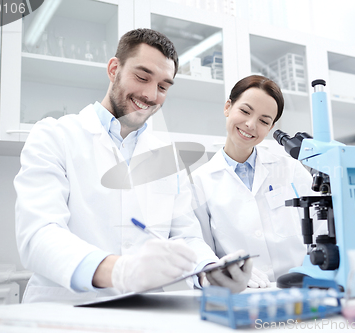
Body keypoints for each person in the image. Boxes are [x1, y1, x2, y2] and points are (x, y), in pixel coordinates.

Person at [14, 29, 251, 303]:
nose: (151, 95)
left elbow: (185, 236)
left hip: (143, 312)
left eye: (163, 87)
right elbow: (39, 235)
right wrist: (119, 271)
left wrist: (209, 270)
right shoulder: (55, 136)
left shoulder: (168, 159)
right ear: (114, 69)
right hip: (64, 309)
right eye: (142, 77)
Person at [191, 75, 316, 288]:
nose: (250, 125)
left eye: (264, 121)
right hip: (242, 294)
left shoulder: (291, 169)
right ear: (228, 107)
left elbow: (322, 227)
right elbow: (198, 247)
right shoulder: (200, 182)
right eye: (245, 111)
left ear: (271, 127)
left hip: (299, 290)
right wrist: (218, 273)